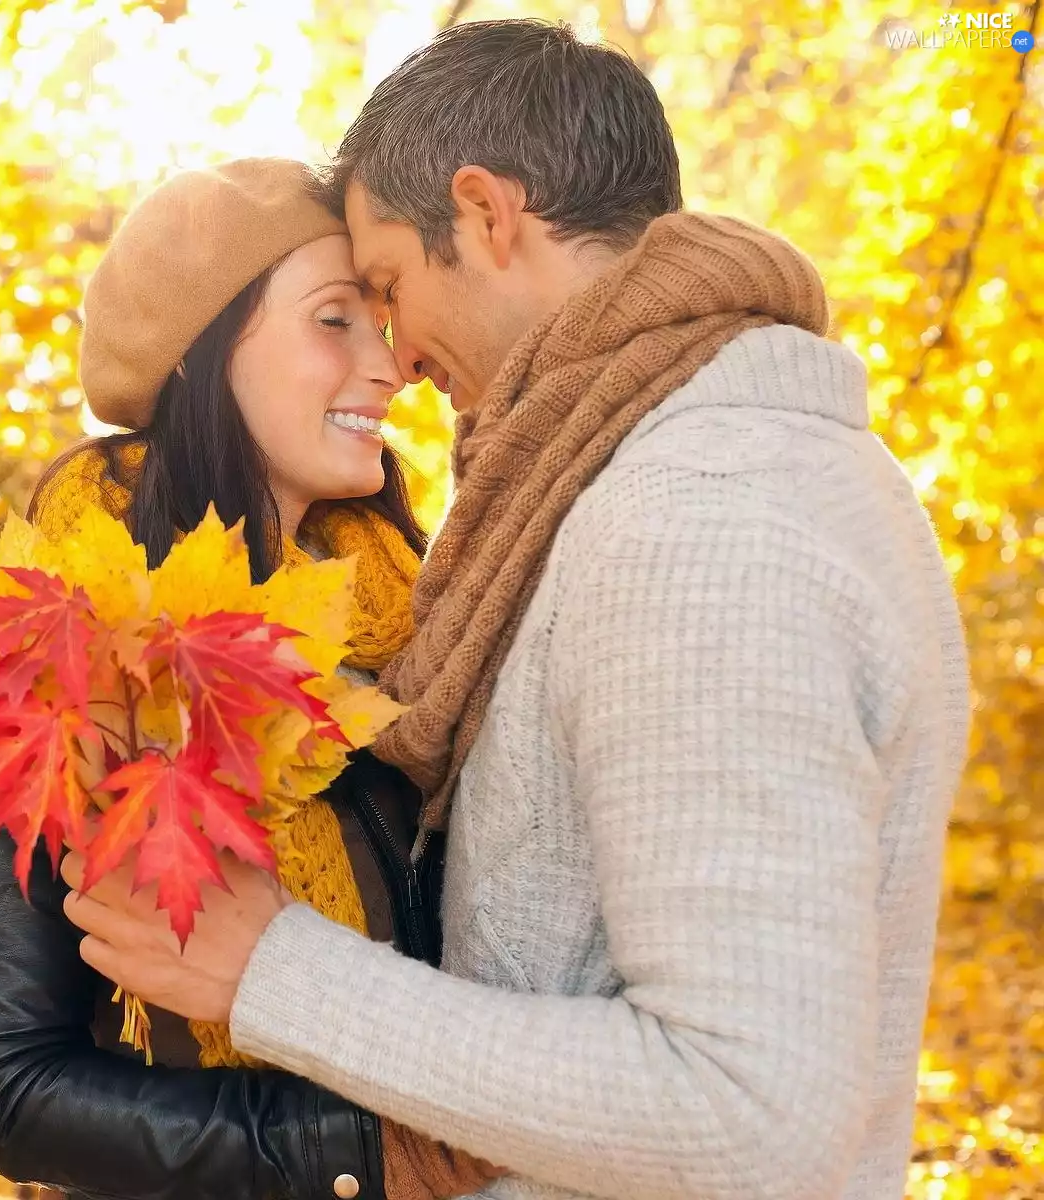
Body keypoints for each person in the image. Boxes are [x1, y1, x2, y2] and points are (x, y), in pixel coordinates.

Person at [61, 20, 971, 1200]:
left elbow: (751, 1114)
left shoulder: (701, 524)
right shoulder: (702, 474)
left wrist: (275, 971)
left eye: (387, 288)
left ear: (487, 213)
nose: (399, 356)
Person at [0, 158, 499, 1200]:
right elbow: (5, 1080)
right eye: (336, 321)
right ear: (201, 354)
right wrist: (358, 1156)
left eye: (383, 317)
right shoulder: (62, 663)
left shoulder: (417, 629)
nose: (389, 363)